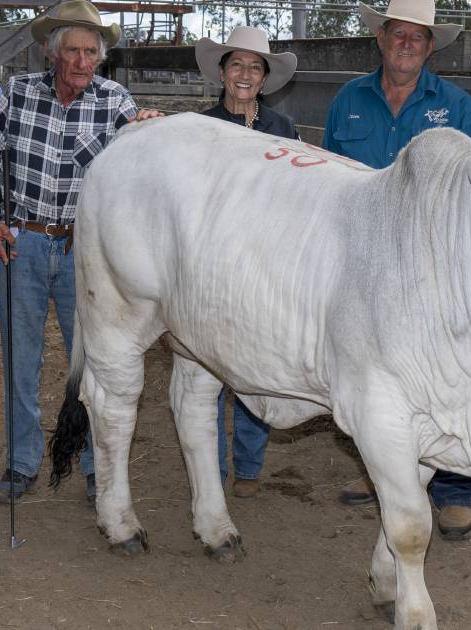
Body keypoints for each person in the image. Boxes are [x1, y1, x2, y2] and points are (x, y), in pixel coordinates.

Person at [0, 0, 162, 504]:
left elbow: (146, 161)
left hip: (86, 251)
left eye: (91, 53)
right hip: (21, 242)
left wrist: (149, 126)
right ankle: (21, 462)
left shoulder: (116, 101)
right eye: (73, 51)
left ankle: (97, 466)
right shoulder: (17, 95)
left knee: (95, 362)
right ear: (51, 53)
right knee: (21, 358)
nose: (83, 62)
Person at [323, 0, 471, 539]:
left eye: (419, 36)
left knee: (452, 375)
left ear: (430, 46)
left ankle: (455, 490)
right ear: (382, 39)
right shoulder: (349, 100)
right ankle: (382, 473)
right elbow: (330, 180)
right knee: (371, 373)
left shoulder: (458, 109)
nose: (407, 43)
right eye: (398, 33)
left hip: (434, 268)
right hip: (364, 266)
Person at [193, 26, 298, 499]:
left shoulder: (282, 129)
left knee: (256, 367)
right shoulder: (201, 128)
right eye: (237, 64)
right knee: (209, 368)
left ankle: (249, 467)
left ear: (264, 77)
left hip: (264, 267)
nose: (245, 74)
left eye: (255, 67)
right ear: (222, 71)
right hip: (212, 266)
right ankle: (213, 467)